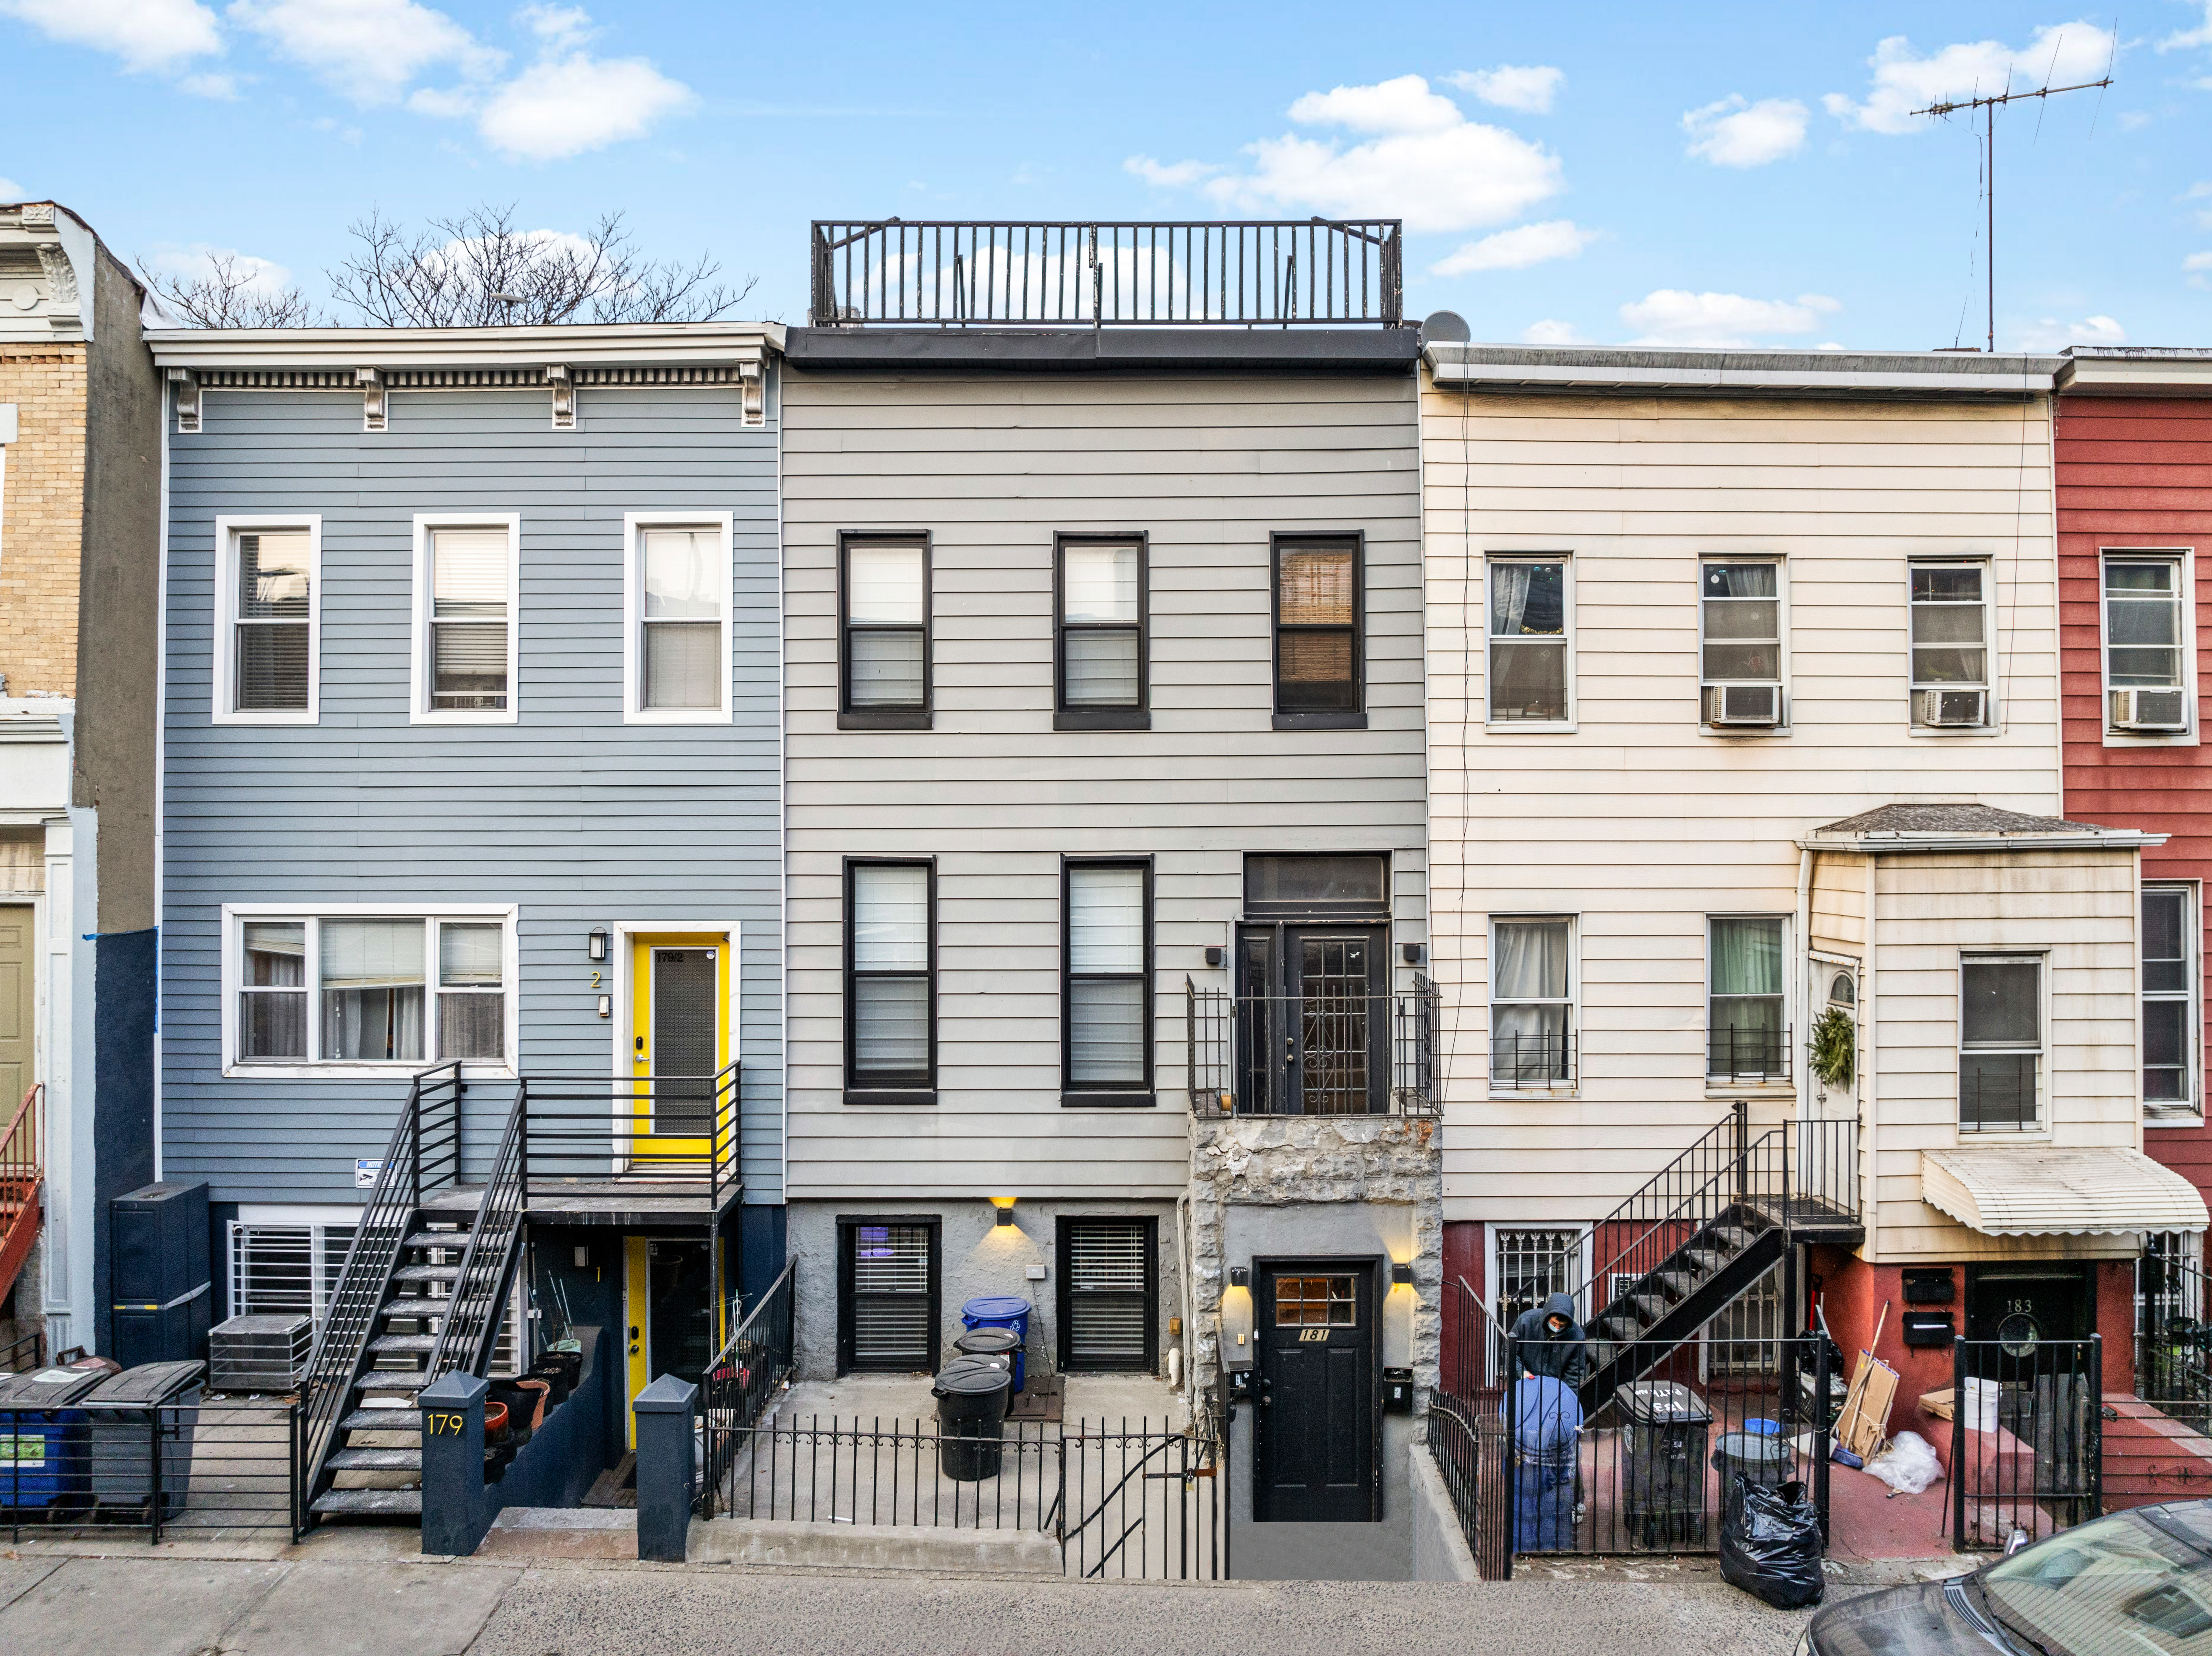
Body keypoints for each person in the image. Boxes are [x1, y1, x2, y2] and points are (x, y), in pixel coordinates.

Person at [1510, 1291, 1589, 1391]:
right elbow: (1510, 1351)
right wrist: (1521, 1372)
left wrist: (1565, 1394)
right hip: (1523, 1383)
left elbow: (1574, 1372)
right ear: (1547, 1316)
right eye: (1554, 1324)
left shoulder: (1577, 1336)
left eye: (1562, 1326)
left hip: (1555, 1389)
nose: (1557, 1328)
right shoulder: (1526, 1321)